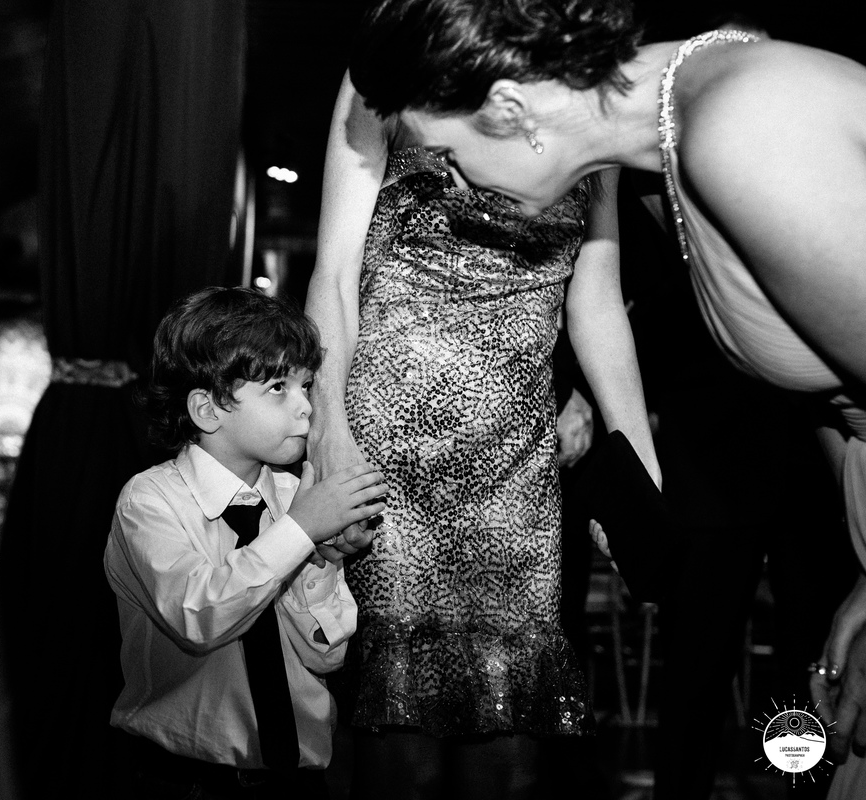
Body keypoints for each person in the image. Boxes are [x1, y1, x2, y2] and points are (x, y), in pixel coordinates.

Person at [346, 0, 866, 795]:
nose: (450, 182)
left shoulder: (738, 130)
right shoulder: (681, 143)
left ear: (509, 109)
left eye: (448, 156)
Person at [305, 62, 658, 796]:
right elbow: (334, 274)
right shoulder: (391, 65)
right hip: (390, 456)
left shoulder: (597, 87)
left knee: (510, 761)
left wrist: (639, 470)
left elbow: (596, 297)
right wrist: (328, 432)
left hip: (516, 465)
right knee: (401, 756)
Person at [104, 286, 390, 799]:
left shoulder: (294, 497)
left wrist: (320, 559)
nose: (306, 408)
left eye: (306, 385)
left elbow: (325, 658)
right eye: (279, 387)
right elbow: (198, 616)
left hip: (298, 783)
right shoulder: (149, 501)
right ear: (208, 409)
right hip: (187, 782)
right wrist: (299, 531)